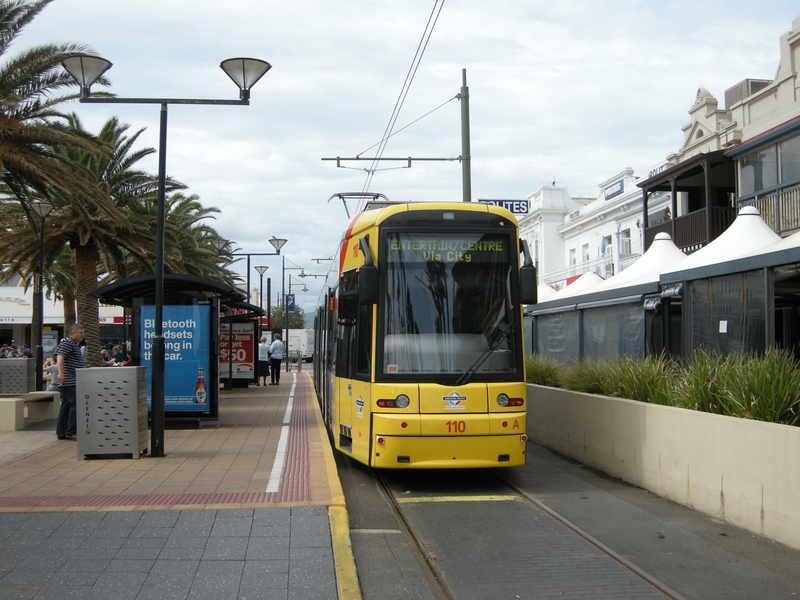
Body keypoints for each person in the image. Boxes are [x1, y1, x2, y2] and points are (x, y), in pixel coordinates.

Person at [55, 324, 86, 441]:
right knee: (75, 403)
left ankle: (61, 432)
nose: (82, 335)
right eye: (80, 333)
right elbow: (60, 357)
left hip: (71, 379)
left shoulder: (73, 345)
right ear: (73, 333)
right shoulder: (68, 343)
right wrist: (61, 373)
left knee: (66, 405)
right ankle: (71, 431)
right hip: (69, 380)